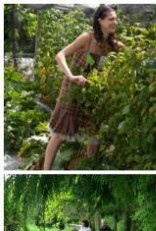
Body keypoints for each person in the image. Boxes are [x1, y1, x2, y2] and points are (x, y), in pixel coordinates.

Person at [43, 5, 125, 170]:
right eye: (111, 19)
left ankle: (90, 173)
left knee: (93, 136)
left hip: (92, 95)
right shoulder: (87, 38)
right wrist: (71, 76)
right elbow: (59, 55)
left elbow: (122, 65)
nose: (115, 22)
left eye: (116, 19)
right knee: (60, 135)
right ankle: (46, 172)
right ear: (100, 21)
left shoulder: (114, 46)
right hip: (72, 91)